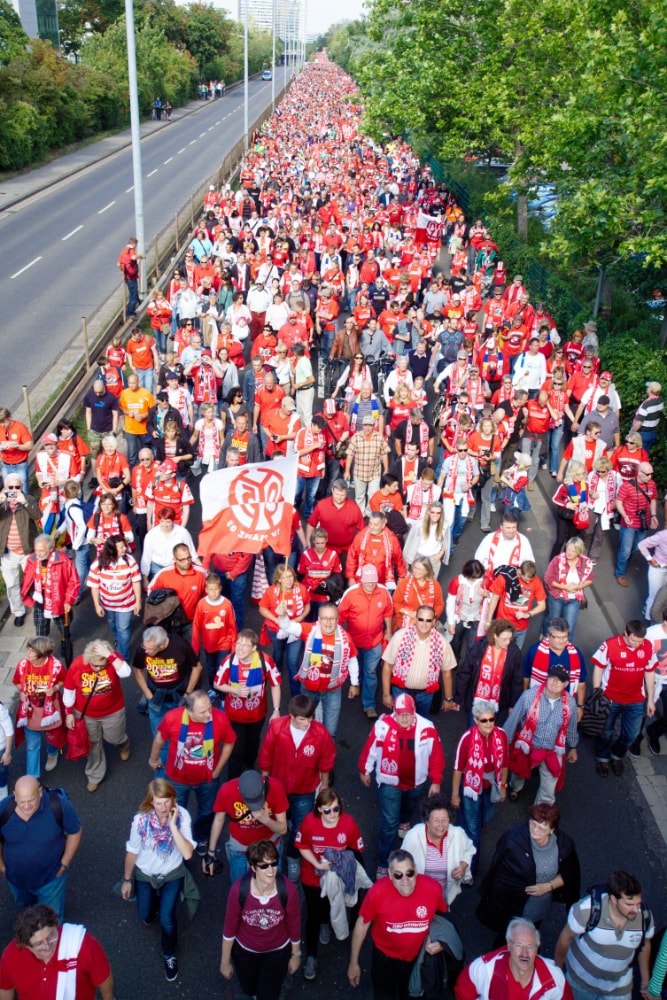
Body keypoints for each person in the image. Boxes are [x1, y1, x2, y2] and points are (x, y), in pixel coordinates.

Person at [358, 692, 445, 878]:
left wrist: (436, 780)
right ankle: (383, 862)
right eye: (400, 714)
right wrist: (365, 770)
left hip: (416, 782)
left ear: (414, 712)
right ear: (394, 713)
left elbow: (436, 755)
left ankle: (404, 820)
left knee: (409, 806)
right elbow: (370, 748)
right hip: (390, 783)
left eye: (408, 714)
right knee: (389, 823)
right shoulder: (382, 726)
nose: (404, 718)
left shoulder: (427, 728)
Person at [120, 778, 196, 983]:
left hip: (172, 872)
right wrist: (127, 880)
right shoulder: (140, 821)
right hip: (146, 873)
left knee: (166, 918)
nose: (163, 808)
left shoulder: (183, 817)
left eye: (167, 801)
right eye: (158, 803)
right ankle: (152, 906)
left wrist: (173, 826)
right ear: (150, 803)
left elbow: (188, 853)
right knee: (145, 914)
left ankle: (169, 954)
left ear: (173, 799)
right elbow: (132, 852)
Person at [347, 847, 446, 999]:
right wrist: (353, 963)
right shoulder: (378, 892)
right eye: (398, 875)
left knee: (409, 993)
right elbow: (362, 924)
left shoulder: (433, 889)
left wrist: (439, 940)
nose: (405, 880)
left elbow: (440, 916)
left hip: (415, 958)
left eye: (409, 873)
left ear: (416, 871)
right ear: (390, 875)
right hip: (384, 961)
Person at [258, 694, 336, 881]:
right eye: (302, 719)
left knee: (299, 829)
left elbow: (325, 760)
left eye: (310, 718)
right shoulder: (276, 728)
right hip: (278, 789)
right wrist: (264, 783)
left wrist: (324, 784)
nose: (307, 722)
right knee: (277, 823)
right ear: (292, 716)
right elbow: (266, 755)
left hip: (305, 790)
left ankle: (293, 858)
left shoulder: (320, 733)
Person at [476, 806, 581, 942]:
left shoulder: (563, 845)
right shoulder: (512, 840)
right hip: (511, 902)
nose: (535, 830)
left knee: (532, 928)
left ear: (552, 830)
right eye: (533, 824)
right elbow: (499, 872)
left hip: (539, 903)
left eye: (541, 828)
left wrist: (548, 886)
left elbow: (569, 873)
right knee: (507, 933)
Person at [148, 690, 236, 850]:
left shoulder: (220, 718)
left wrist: (217, 769)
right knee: (176, 811)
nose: (209, 714)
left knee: (207, 811)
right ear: (189, 712)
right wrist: (153, 759)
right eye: (203, 712)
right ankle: (180, 841)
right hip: (176, 778)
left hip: (207, 779)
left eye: (210, 708)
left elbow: (229, 742)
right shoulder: (173, 717)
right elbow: (160, 738)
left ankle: (201, 837)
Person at [295, 787, 367, 981]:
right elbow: (301, 846)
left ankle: (325, 922)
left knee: (328, 905)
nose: (332, 814)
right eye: (327, 810)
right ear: (319, 809)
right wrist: (318, 863)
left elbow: (357, 851)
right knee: (313, 914)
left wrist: (345, 865)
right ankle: (311, 955)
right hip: (311, 878)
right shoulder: (309, 822)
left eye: (336, 809)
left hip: (336, 879)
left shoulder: (349, 823)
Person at [554, 870, 654, 1000]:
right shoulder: (586, 911)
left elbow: (645, 944)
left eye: (638, 903)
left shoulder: (644, 917)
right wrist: (556, 971)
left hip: (619, 987)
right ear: (613, 899)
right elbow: (565, 938)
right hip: (581, 983)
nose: (635, 910)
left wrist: (645, 979)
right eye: (629, 904)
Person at [221, 840, 302, 1000]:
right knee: (249, 988)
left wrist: (295, 955)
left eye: (273, 864)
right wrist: (225, 961)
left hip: (277, 952)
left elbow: (294, 925)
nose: (271, 870)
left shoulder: (288, 890)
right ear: (253, 868)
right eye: (263, 866)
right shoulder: (239, 890)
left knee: (269, 994)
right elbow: (230, 928)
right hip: (246, 951)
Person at [0, 776, 82, 922]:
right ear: (14, 795)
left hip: (50, 880)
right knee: (25, 904)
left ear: (40, 792)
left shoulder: (58, 805)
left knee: (51, 920)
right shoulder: (3, 808)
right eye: (21, 802)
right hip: (17, 880)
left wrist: (65, 863)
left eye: (31, 800)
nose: (26, 806)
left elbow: (75, 831)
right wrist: (1, 866)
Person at [0, 903, 113, 1000]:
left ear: (56, 925)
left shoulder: (82, 943)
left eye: (51, 936)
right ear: (26, 945)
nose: (47, 946)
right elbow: (5, 988)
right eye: (39, 943)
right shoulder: (10, 957)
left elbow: (103, 978)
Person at [503, 664, 579, 803]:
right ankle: (515, 788)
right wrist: (504, 744)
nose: (554, 683)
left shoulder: (570, 703)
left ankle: (540, 812)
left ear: (566, 684)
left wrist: (573, 747)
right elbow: (513, 720)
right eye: (552, 678)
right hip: (529, 745)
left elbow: (571, 726)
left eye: (560, 680)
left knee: (548, 790)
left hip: (553, 749)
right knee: (519, 772)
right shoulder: (529, 696)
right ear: (547, 678)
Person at [62, 639, 131, 792]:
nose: (98, 669)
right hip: (86, 714)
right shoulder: (78, 664)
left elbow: (126, 673)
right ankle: (94, 775)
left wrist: (110, 655)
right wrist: (68, 713)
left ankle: (123, 743)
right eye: (94, 665)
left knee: (114, 737)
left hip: (113, 711)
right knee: (93, 743)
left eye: (102, 665)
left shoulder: (113, 659)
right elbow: (69, 689)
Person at [591, 620, 656, 777]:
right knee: (606, 732)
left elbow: (649, 672)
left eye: (640, 641)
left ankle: (616, 755)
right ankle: (603, 757)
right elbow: (598, 667)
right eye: (634, 640)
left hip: (635, 699)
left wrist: (651, 699)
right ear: (626, 633)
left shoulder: (647, 647)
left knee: (632, 734)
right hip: (611, 698)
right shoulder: (610, 645)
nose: (637, 644)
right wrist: (597, 692)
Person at [450, 701, 509, 873]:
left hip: (492, 784)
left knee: (487, 816)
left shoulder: (502, 735)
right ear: (476, 720)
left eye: (491, 719)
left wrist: (503, 786)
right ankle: (470, 867)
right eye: (484, 720)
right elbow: (458, 768)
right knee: (474, 828)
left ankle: (463, 832)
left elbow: (505, 763)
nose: (489, 723)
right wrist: (455, 794)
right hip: (471, 785)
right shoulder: (467, 738)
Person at [213, 629, 281, 778]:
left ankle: (249, 768)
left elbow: (275, 684)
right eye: (238, 644)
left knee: (252, 743)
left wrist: (276, 710)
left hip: (257, 715)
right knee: (235, 750)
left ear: (254, 648)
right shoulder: (229, 661)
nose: (240, 648)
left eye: (245, 645)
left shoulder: (265, 661)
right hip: (234, 715)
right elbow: (217, 684)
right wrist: (234, 690)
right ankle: (233, 780)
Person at [455, 917, 572, 1000]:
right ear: (509, 945)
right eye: (519, 946)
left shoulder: (555, 979)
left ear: (536, 948)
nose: (524, 953)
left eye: (529, 946)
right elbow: (463, 994)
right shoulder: (482, 969)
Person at [204, 769, 288, 883]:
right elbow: (219, 819)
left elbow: (283, 829)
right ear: (239, 790)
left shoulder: (276, 787)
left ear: (263, 784)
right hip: (240, 848)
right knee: (240, 888)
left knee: (273, 886)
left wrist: (266, 820)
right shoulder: (226, 790)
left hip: (268, 845)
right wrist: (211, 852)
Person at [294, 602, 359, 739]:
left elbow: (352, 659)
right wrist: (282, 617)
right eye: (324, 618)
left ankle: (325, 759)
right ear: (319, 619)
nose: (328, 622)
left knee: (330, 733)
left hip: (332, 691)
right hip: (309, 689)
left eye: (332, 618)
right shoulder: (310, 630)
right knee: (303, 728)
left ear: (337, 619)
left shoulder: (345, 638)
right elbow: (289, 627)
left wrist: (354, 683)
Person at [337, 564, 394, 719]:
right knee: (358, 667)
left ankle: (369, 704)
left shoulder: (383, 593)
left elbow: (388, 612)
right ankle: (357, 682)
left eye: (373, 581)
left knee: (370, 672)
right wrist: (338, 637)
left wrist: (388, 632)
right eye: (367, 581)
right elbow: (339, 616)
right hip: (354, 642)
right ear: (360, 579)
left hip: (375, 641)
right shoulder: (350, 594)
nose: (370, 584)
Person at [381, 605, 457, 717]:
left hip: (425, 695)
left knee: (420, 726)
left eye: (428, 620)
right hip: (401, 691)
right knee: (400, 724)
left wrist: (449, 699)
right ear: (415, 619)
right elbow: (387, 665)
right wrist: (386, 694)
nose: (424, 623)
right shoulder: (400, 636)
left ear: (433, 622)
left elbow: (446, 672)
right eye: (421, 619)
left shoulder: (442, 643)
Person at [403, 793, 476, 903]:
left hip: (445, 893)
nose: (441, 825)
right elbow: (401, 862)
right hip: (420, 894)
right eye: (436, 820)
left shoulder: (457, 834)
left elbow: (469, 849)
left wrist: (463, 865)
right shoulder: (413, 836)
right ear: (427, 821)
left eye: (445, 820)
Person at [132, 626, 202, 736]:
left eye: (150, 649)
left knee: (183, 732)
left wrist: (187, 694)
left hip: (179, 698)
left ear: (162, 645)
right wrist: (148, 694)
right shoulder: (143, 648)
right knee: (160, 734)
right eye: (144, 646)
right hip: (156, 699)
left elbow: (197, 667)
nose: (145, 650)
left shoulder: (181, 645)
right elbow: (137, 670)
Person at [13, 636, 66, 777]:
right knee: (32, 745)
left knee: (53, 734)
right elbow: (17, 681)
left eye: (32, 650)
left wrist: (54, 689)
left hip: (50, 709)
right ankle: (32, 778)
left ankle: (53, 753)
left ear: (42, 654)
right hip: (30, 709)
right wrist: (22, 691)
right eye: (28, 649)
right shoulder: (23, 664)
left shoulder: (56, 665)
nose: (28, 652)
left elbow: (63, 680)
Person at [455, 619, 523, 722]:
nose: (508, 642)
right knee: (474, 732)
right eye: (504, 639)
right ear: (495, 636)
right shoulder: (480, 647)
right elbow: (465, 672)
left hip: (499, 704)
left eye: (510, 638)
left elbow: (516, 681)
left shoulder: (514, 652)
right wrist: (458, 698)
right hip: (477, 701)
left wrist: (513, 705)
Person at [87, 535, 141, 662]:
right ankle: (119, 641)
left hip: (126, 603)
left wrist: (138, 601)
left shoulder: (130, 561)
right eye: (121, 547)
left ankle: (122, 655)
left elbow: (136, 581)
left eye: (124, 546)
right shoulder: (98, 563)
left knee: (123, 628)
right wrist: (97, 605)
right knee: (113, 624)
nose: (125, 549)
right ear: (112, 549)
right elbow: (94, 586)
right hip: (107, 604)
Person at [258, 563, 310, 696]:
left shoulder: (301, 588)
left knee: (292, 661)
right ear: (279, 579)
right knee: (278, 652)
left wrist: (300, 618)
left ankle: (296, 694)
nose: (289, 580)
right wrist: (277, 620)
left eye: (291, 576)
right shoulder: (271, 591)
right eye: (285, 577)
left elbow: (307, 605)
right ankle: (277, 669)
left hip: (296, 629)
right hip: (276, 629)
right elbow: (262, 608)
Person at [523, 619, 587, 718]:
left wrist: (580, 706)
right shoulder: (534, 651)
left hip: (565, 706)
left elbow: (581, 683)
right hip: (538, 703)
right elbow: (526, 676)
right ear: (549, 635)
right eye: (557, 637)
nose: (561, 641)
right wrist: (525, 699)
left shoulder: (576, 654)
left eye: (565, 637)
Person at [0, 471, 41, 627]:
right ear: (5, 487)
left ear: (22, 487)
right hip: (7, 552)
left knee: (32, 581)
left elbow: (37, 515)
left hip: (27, 550)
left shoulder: (27, 499)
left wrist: (24, 502)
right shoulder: (2, 502)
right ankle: (18, 612)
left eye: (17, 487)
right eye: (11, 487)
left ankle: (37, 606)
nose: (14, 490)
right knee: (12, 584)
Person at [21, 534, 79, 641]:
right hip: (40, 599)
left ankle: (64, 642)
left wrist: (68, 600)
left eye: (42, 550)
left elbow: (74, 582)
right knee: (40, 631)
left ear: (51, 549)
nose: (38, 554)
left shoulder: (63, 560)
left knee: (63, 628)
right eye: (36, 550)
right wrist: (29, 594)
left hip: (59, 599)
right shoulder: (32, 560)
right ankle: (43, 651)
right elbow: (27, 578)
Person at [614, 461, 658, 586]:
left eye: (651, 474)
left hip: (643, 522)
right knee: (626, 550)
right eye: (647, 474)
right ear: (639, 472)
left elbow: (653, 499)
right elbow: (619, 502)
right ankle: (620, 573)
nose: (650, 477)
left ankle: (623, 561)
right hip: (629, 523)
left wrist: (653, 515)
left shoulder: (652, 485)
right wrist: (625, 515)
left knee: (637, 547)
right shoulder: (627, 486)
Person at [487, 560, 547, 650]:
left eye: (530, 580)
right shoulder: (504, 578)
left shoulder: (536, 581)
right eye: (526, 579)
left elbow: (542, 605)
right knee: (498, 653)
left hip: (521, 628)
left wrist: (528, 614)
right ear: (519, 572)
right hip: (503, 625)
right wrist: (488, 621)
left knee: (515, 656)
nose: (528, 582)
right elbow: (494, 599)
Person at [543, 539, 594, 637]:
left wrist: (579, 586)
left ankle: (566, 646)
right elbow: (548, 579)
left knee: (570, 625)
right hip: (557, 597)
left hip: (574, 599)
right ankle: (546, 637)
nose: (569, 552)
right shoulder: (557, 560)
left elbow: (590, 579)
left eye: (573, 550)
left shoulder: (585, 563)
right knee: (553, 620)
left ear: (579, 551)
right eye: (568, 549)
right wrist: (563, 587)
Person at [346, 510, 406, 591]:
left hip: (383, 581)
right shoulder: (361, 535)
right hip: (362, 580)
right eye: (370, 523)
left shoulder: (391, 538)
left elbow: (399, 559)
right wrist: (350, 577)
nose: (372, 527)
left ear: (383, 524)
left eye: (375, 524)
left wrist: (401, 577)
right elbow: (352, 557)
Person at [344, 413, 390, 516]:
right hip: (359, 472)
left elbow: (384, 454)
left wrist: (386, 469)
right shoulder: (356, 437)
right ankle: (360, 515)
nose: (367, 427)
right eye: (365, 425)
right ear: (362, 425)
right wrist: (347, 471)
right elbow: (350, 455)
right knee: (359, 496)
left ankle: (369, 514)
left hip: (375, 472)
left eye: (370, 425)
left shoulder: (379, 437)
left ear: (373, 426)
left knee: (373, 495)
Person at [392, 557, 444, 631]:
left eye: (419, 569)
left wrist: (429, 617)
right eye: (415, 568)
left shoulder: (435, 585)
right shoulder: (405, 583)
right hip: (405, 624)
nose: (416, 571)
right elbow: (396, 603)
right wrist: (409, 613)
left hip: (425, 626)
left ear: (427, 571)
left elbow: (439, 605)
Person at [0, 407, 33, 495]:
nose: (2, 425)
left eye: (4, 422)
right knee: (8, 491)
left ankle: (24, 507)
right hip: (5, 465)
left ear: (10, 417)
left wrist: (17, 446)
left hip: (20, 465)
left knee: (23, 491)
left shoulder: (20, 427)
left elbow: (29, 445)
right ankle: (11, 508)